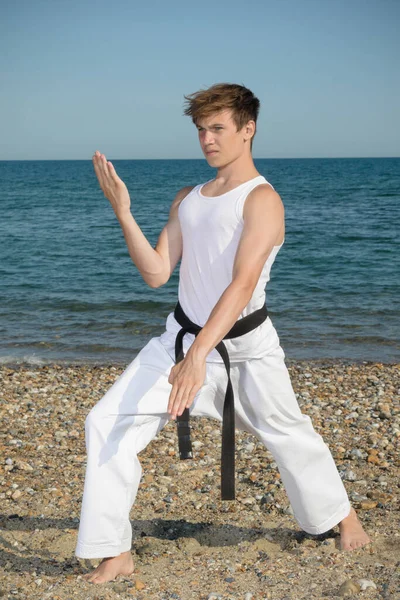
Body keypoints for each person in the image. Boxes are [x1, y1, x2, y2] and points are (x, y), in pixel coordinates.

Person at [76, 83, 371, 584]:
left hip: (246, 349)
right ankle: (114, 551)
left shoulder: (262, 200)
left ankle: (344, 518)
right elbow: (155, 273)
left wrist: (199, 356)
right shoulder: (187, 199)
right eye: (200, 130)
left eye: (217, 128)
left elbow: (243, 283)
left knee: (289, 435)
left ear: (247, 129)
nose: (207, 139)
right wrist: (123, 211)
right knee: (105, 420)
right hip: (178, 340)